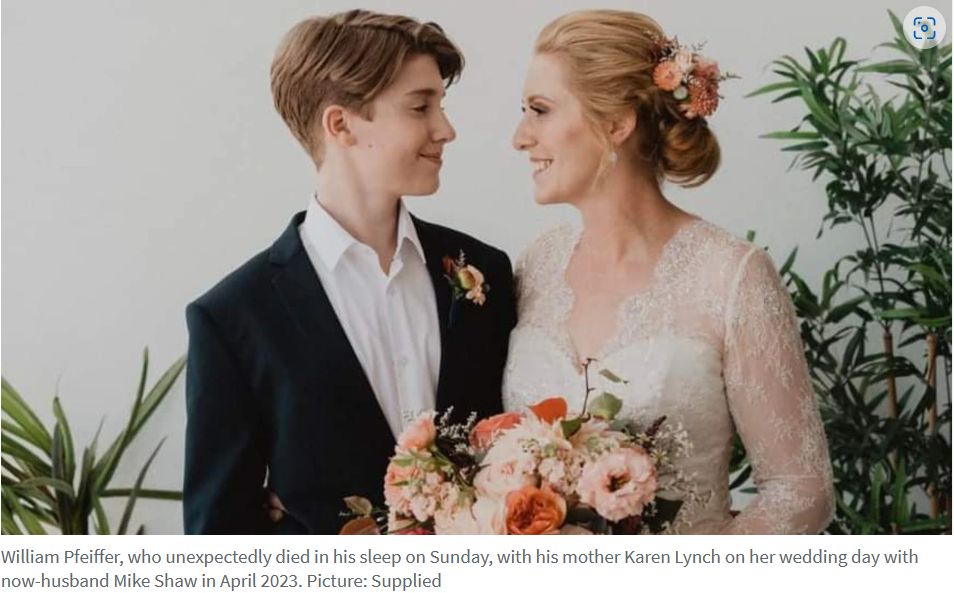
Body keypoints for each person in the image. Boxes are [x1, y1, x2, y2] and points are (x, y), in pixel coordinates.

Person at [184, 9, 516, 534]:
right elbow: (218, 536)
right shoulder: (233, 318)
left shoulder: (484, 272)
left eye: (441, 106)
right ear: (340, 124)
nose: (446, 130)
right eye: (420, 107)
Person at [503, 9, 834, 534]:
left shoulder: (731, 275)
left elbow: (801, 489)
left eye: (539, 110)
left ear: (617, 123)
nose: (520, 137)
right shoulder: (535, 266)